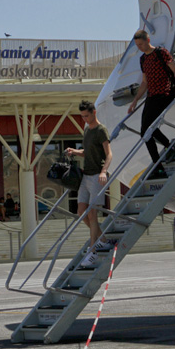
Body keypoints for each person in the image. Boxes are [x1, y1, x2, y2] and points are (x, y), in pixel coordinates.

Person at [128, 29, 175, 177]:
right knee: (145, 131)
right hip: (152, 95)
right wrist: (135, 100)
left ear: (148, 40)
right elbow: (144, 83)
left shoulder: (161, 53)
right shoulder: (143, 59)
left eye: (141, 43)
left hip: (165, 93)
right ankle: (164, 155)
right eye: (137, 45)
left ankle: (161, 160)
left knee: (148, 129)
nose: (139, 47)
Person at [65, 100, 113, 268]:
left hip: (96, 176)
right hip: (86, 175)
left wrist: (103, 172)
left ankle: (92, 251)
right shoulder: (87, 130)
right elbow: (87, 152)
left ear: (94, 113)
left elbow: (109, 154)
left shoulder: (101, 130)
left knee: (93, 214)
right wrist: (74, 151)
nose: (84, 119)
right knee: (81, 212)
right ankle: (104, 240)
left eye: (86, 115)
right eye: (82, 116)